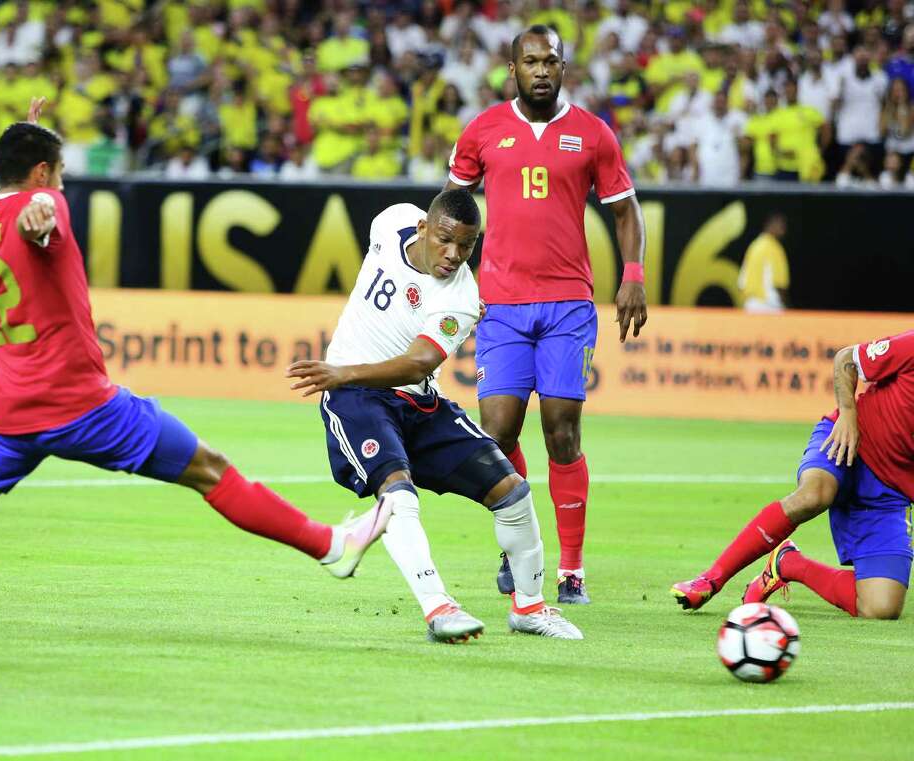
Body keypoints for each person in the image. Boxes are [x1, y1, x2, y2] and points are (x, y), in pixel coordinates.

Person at [0, 103, 391, 651]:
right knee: (211, 469)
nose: (61, 181)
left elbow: (20, 193)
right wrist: (43, 214)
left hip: (5, 412)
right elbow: (40, 210)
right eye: (58, 169)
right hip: (80, 404)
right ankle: (328, 547)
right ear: (44, 172)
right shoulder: (47, 205)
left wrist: (35, 137)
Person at [287, 190, 581, 642]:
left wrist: (340, 369)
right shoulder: (391, 220)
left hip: (418, 400)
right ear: (423, 227)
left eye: (466, 246)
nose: (454, 255)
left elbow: (419, 362)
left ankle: (530, 607)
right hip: (356, 399)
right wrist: (345, 377)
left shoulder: (462, 296)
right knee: (397, 493)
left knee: (514, 493)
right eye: (445, 240)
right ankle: (438, 607)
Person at [444, 25, 647, 605]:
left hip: (567, 304)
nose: (540, 70)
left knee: (561, 429)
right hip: (502, 305)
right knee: (499, 430)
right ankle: (518, 546)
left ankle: (572, 570)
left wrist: (632, 277)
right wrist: (440, 279)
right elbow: (452, 208)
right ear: (512, 70)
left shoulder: (592, 135)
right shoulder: (483, 130)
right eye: (530, 61)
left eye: (550, 62)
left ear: (564, 68)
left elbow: (626, 210)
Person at [672, 332, 914, 620]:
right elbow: (846, 358)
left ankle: (789, 563)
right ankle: (711, 579)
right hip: (847, 441)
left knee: (880, 608)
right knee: (814, 494)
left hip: (889, 492)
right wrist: (848, 414)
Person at [738, 214, 790, 312]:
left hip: (750, 305)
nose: (784, 231)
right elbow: (779, 284)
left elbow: (741, 282)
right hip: (769, 306)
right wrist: (787, 307)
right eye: (781, 226)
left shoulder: (753, 246)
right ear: (770, 225)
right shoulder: (774, 248)